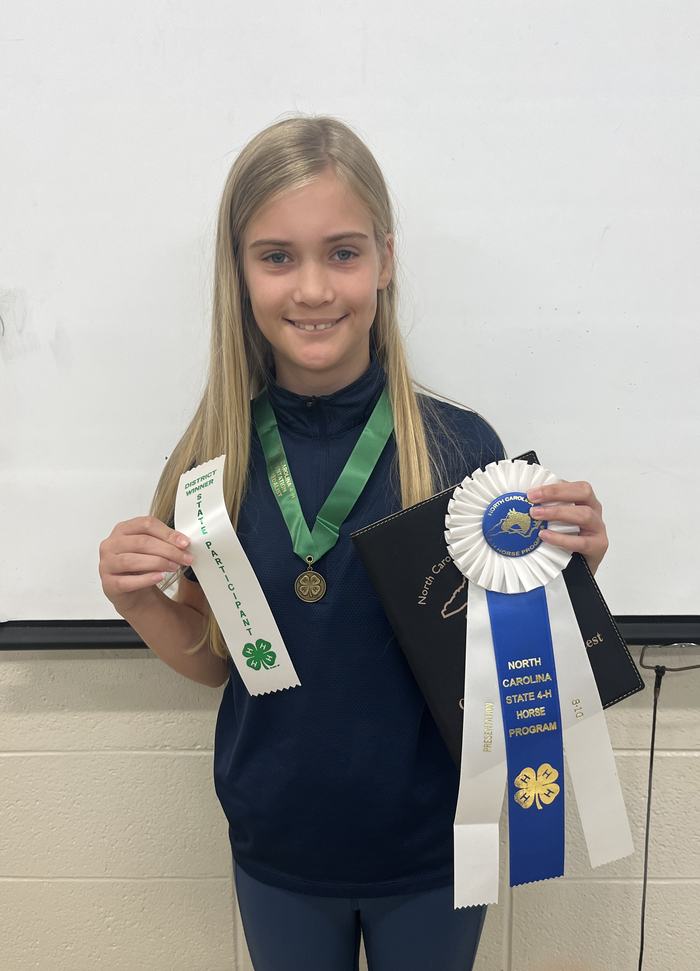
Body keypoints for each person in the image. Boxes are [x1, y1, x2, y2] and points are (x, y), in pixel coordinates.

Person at [98, 115, 609, 971]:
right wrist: (138, 601)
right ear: (240, 272)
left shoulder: (460, 451)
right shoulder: (207, 462)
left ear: (387, 259)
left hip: (435, 853)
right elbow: (226, 660)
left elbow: (516, 665)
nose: (313, 289)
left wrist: (575, 574)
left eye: (342, 252)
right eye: (276, 256)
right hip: (280, 852)